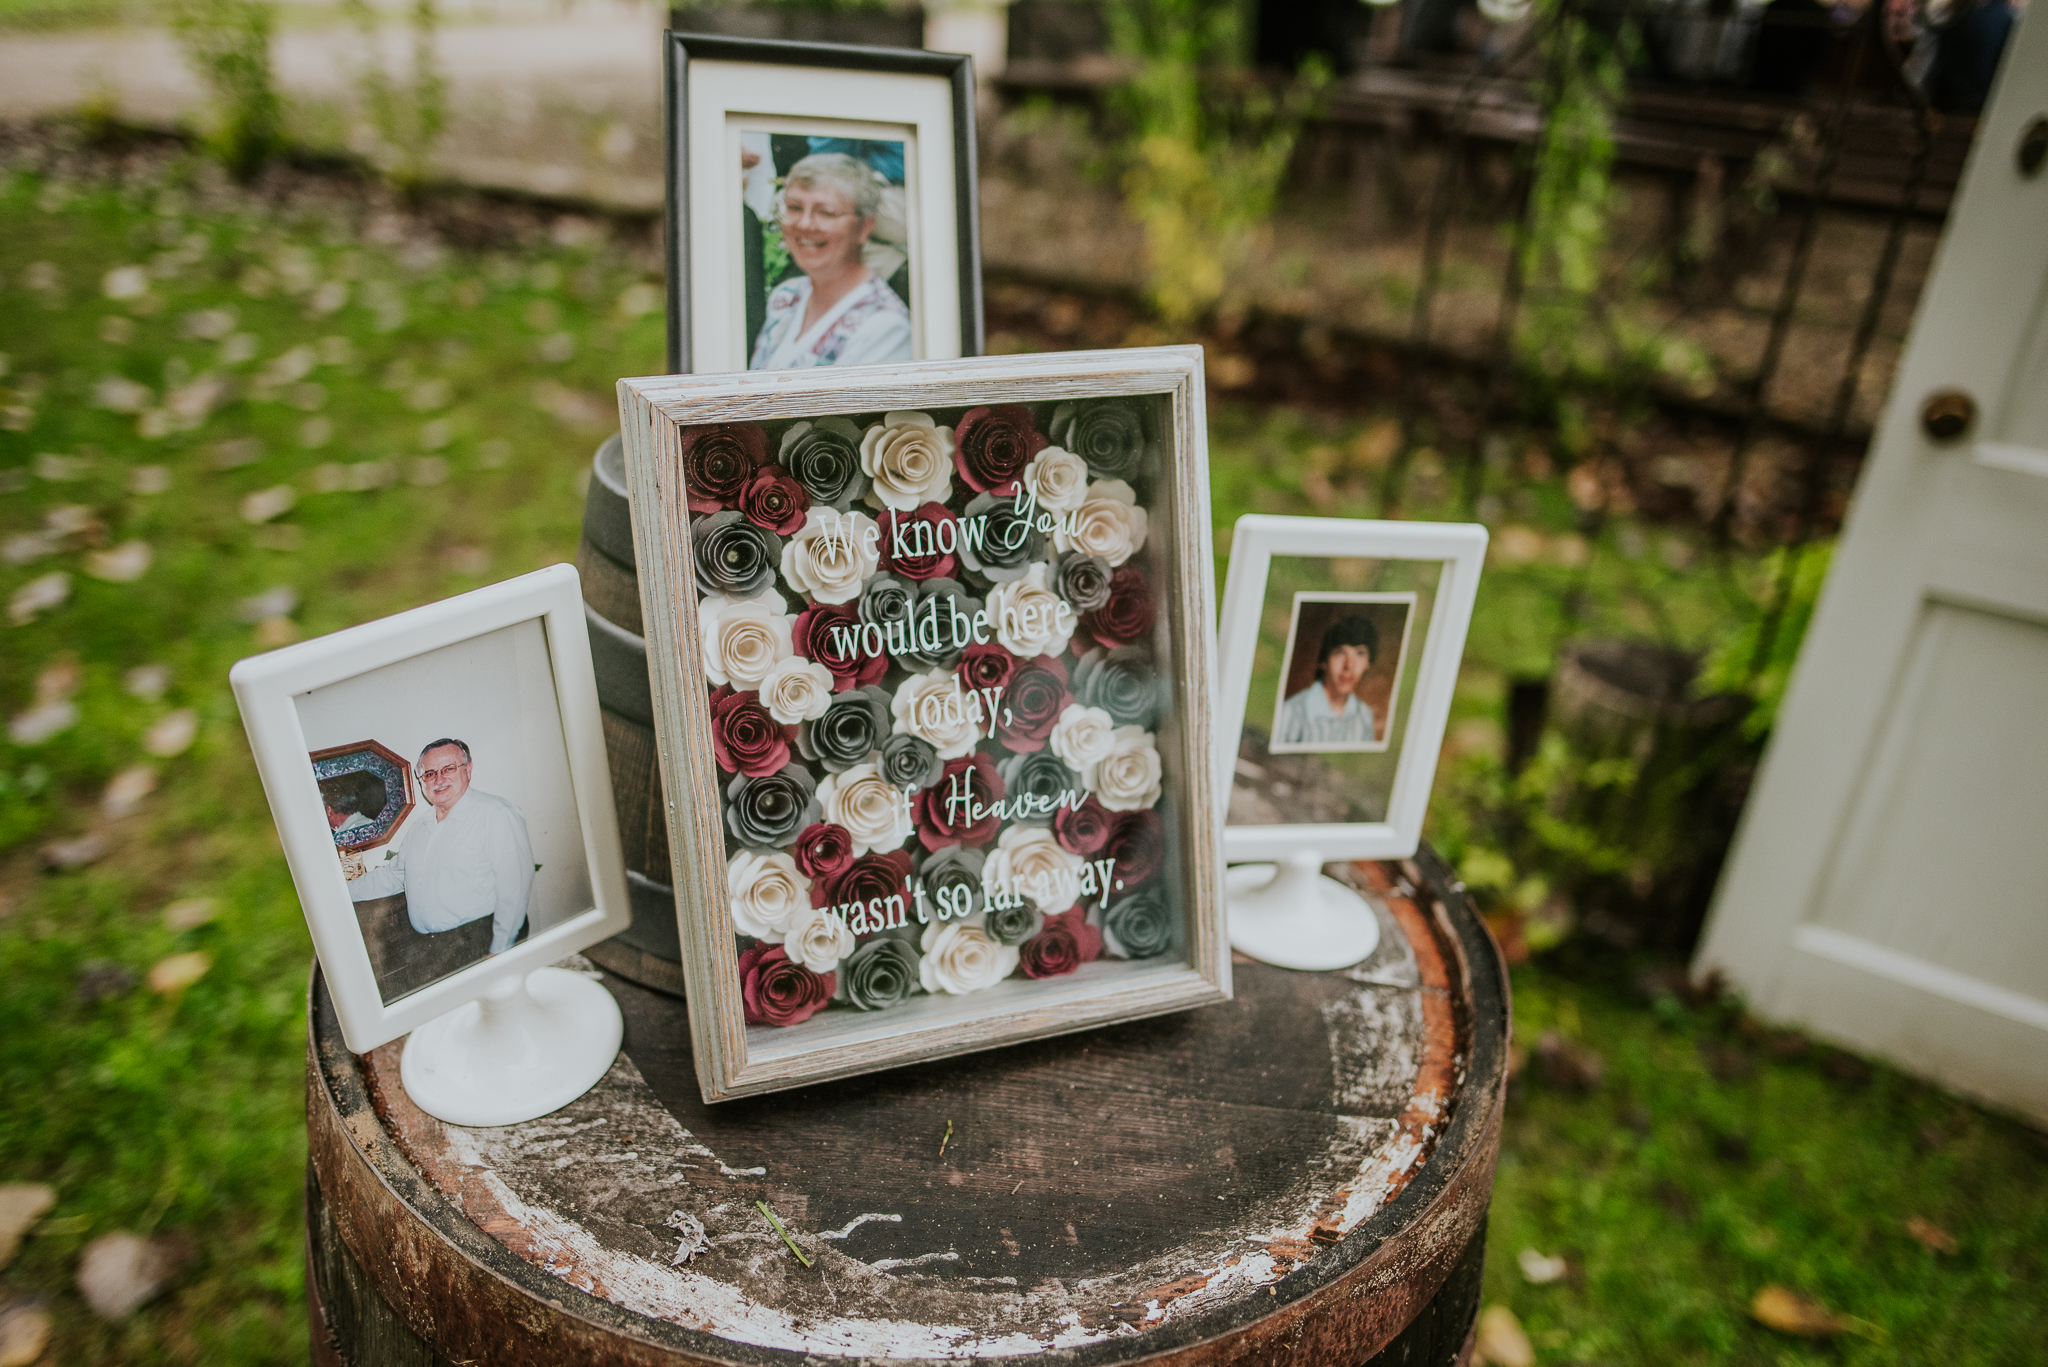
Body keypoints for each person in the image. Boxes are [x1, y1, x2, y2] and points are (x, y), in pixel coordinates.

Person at [348, 738, 535, 973]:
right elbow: (394, 876)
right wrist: (340, 893)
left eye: (448, 769)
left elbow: (515, 887)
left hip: (479, 939)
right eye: (429, 774)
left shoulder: (495, 814)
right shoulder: (420, 827)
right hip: (433, 947)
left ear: (468, 769)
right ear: (421, 781)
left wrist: (500, 951)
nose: (439, 779)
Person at [749, 152, 913, 371]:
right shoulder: (786, 297)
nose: (805, 224)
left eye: (826, 212)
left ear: (865, 226)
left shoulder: (885, 326)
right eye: (795, 208)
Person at [1277, 615, 1380, 747]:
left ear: (1368, 663)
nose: (1348, 666)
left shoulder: (1365, 716)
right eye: (1340, 653)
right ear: (1324, 661)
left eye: (1360, 653)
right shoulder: (1290, 712)